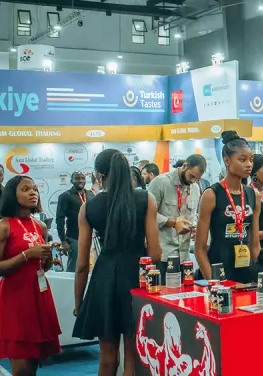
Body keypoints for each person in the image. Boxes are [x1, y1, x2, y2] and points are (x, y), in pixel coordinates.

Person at [73, 149, 162, 375]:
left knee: (107, 359)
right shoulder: (146, 199)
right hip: (136, 278)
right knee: (132, 360)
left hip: (104, 280)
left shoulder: (88, 207)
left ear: (99, 175)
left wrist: (78, 302)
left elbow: (82, 264)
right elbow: (155, 253)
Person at [0, 176, 62, 375]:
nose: (33, 192)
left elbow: (43, 268)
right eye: (26, 189)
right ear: (13, 195)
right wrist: (27, 255)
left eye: (34, 189)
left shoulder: (40, 226)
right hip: (14, 300)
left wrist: (49, 256)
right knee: (22, 369)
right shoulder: (1, 227)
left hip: (38, 296)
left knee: (33, 365)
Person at [197, 132, 261, 283]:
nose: (249, 164)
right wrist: (213, 283)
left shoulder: (254, 195)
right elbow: (200, 249)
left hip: (246, 272)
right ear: (226, 160)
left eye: (251, 160)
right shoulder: (211, 194)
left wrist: (260, 277)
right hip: (217, 270)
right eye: (242, 160)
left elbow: (255, 245)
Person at [148, 154, 205, 279]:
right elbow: (148, 214)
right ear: (185, 166)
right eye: (192, 176)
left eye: (197, 179)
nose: (193, 181)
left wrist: (194, 227)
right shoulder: (160, 182)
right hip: (163, 254)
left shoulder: (195, 188)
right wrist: (172, 222)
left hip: (184, 257)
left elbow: (193, 215)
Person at [56, 172, 91, 273]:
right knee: (74, 268)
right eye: (77, 178)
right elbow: (60, 219)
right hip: (74, 238)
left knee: (88, 267)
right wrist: (63, 241)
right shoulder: (65, 196)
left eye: (82, 178)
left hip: (91, 238)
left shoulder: (90, 194)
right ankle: (70, 284)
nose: (80, 181)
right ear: (71, 181)